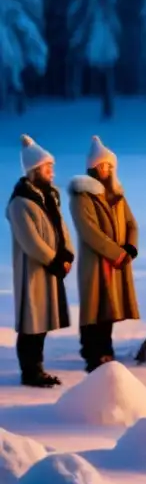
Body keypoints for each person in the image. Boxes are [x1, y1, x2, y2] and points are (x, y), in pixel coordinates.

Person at [67, 137, 140, 373]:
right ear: (94, 167)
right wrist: (115, 253)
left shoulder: (117, 195)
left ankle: (106, 350)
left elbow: (131, 223)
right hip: (96, 262)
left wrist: (130, 248)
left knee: (109, 308)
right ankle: (91, 352)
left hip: (117, 262)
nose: (106, 170)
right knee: (94, 308)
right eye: (103, 166)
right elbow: (89, 232)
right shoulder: (82, 197)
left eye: (110, 166)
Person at [7, 135, 74, 387]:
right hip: (32, 272)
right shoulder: (20, 203)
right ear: (35, 170)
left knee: (42, 322)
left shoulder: (50, 197)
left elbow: (61, 229)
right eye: (48, 168)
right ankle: (30, 371)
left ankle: (38, 367)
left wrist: (67, 254)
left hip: (51, 269)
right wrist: (54, 260)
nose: (52, 173)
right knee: (31, 322)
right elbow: (30, 241)